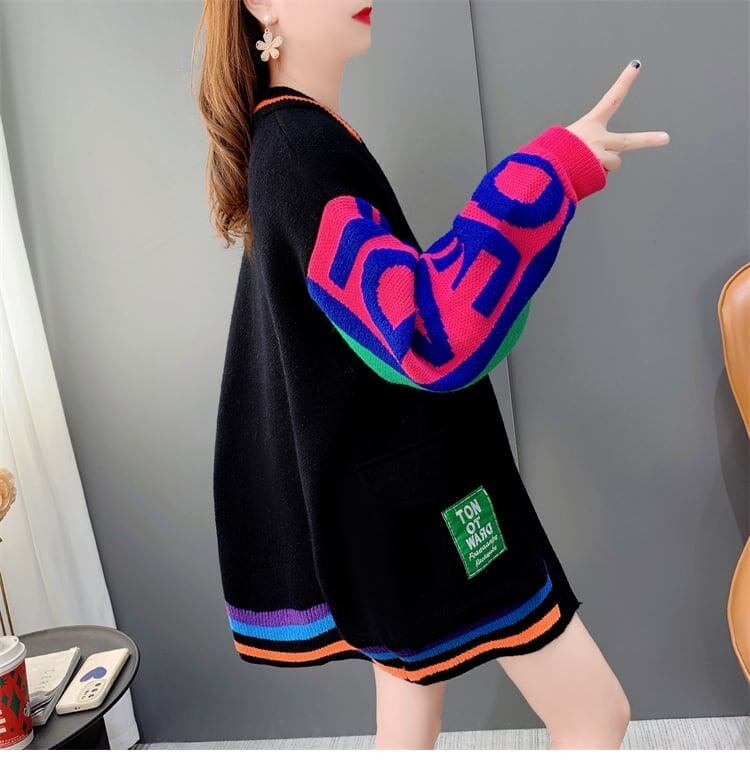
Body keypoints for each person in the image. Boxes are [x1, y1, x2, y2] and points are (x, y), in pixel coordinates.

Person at [195, 0, 669, 750]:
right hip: (423, 500)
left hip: (383, 499)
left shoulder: (293, 138)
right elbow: (425, 329)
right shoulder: (300, 150)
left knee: (410, 722)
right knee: (594, 715)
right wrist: (551, 171)